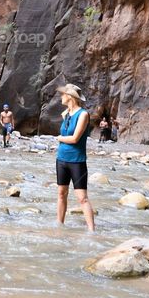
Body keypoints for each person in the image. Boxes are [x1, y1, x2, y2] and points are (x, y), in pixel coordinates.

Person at [55, 83, 95, 231]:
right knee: (61, 193)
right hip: (61, 159)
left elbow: (74, 138)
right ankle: (59, 225)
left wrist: (59, 138)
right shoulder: (66, 114)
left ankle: (92, 231)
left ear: (70, 97)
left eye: (63, 94)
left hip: (77, 161)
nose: (61, 96)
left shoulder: (83, 114)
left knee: (82, 198)